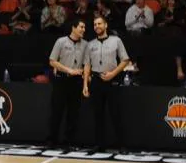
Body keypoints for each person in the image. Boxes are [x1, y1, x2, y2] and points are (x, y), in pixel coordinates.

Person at [84, 15, 130, 149]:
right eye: (94, 24)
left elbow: (125, 60)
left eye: (99, 24)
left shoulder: (116, 40)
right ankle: (99, 144)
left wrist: (113, 74)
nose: (97, 26)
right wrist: (86, 84)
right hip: (96, 80)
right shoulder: (90, 44)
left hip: (112, 78)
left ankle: (122, 144)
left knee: (115, 113)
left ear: (105, 25)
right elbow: (87, 64)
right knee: (98, 114)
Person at [47, 19, 88, 147]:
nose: (83, 30)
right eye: (81, 27)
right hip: (61, 79)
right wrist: (68, 69)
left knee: (73, 113)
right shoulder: (61, 41)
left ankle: (68, 141)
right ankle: (51, 140)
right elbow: (52, 61)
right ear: (73, 28)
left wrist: (84, 75)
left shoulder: (86, 44)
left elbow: (87, 64)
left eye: (84, 27)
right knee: (57, 111)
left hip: (76, 81)